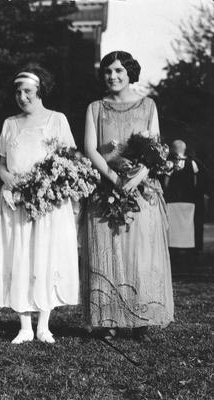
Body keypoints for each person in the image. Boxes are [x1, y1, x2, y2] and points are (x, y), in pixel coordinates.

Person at [82, 51, 174, 339]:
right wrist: (111, 178)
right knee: (108, 249)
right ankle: (107, 317)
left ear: (130, 72)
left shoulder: (147, 105)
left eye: (119, 71)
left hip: (141, 188)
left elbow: (155, 146)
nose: (113, 76)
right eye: (108, 71)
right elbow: (91, 148)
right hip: (106, 187)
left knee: (140, 252)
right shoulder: (96, 107)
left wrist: (138, 176)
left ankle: (141, 318)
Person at [0, 65, 79, 344]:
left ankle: (43, 325)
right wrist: (10, 181)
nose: (22, 96)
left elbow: (69, 160)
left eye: (27, 91)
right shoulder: (9, 123)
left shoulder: (57, 120)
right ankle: (24, 325)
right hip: (15, 202)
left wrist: (46, 187)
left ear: (40, 91)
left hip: (48, 203)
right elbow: (1, 165)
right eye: (18, 91)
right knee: (20, 256)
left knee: (44, 256)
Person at [163, 140, 199, 257]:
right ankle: (187, 247)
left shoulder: (170, 163)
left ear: (173, 149)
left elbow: (166, 182)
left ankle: (174, 247)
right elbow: (195, 182)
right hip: (188, 198)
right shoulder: (192, 163)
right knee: (187, 224)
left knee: (174, 224)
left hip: (174, 198)